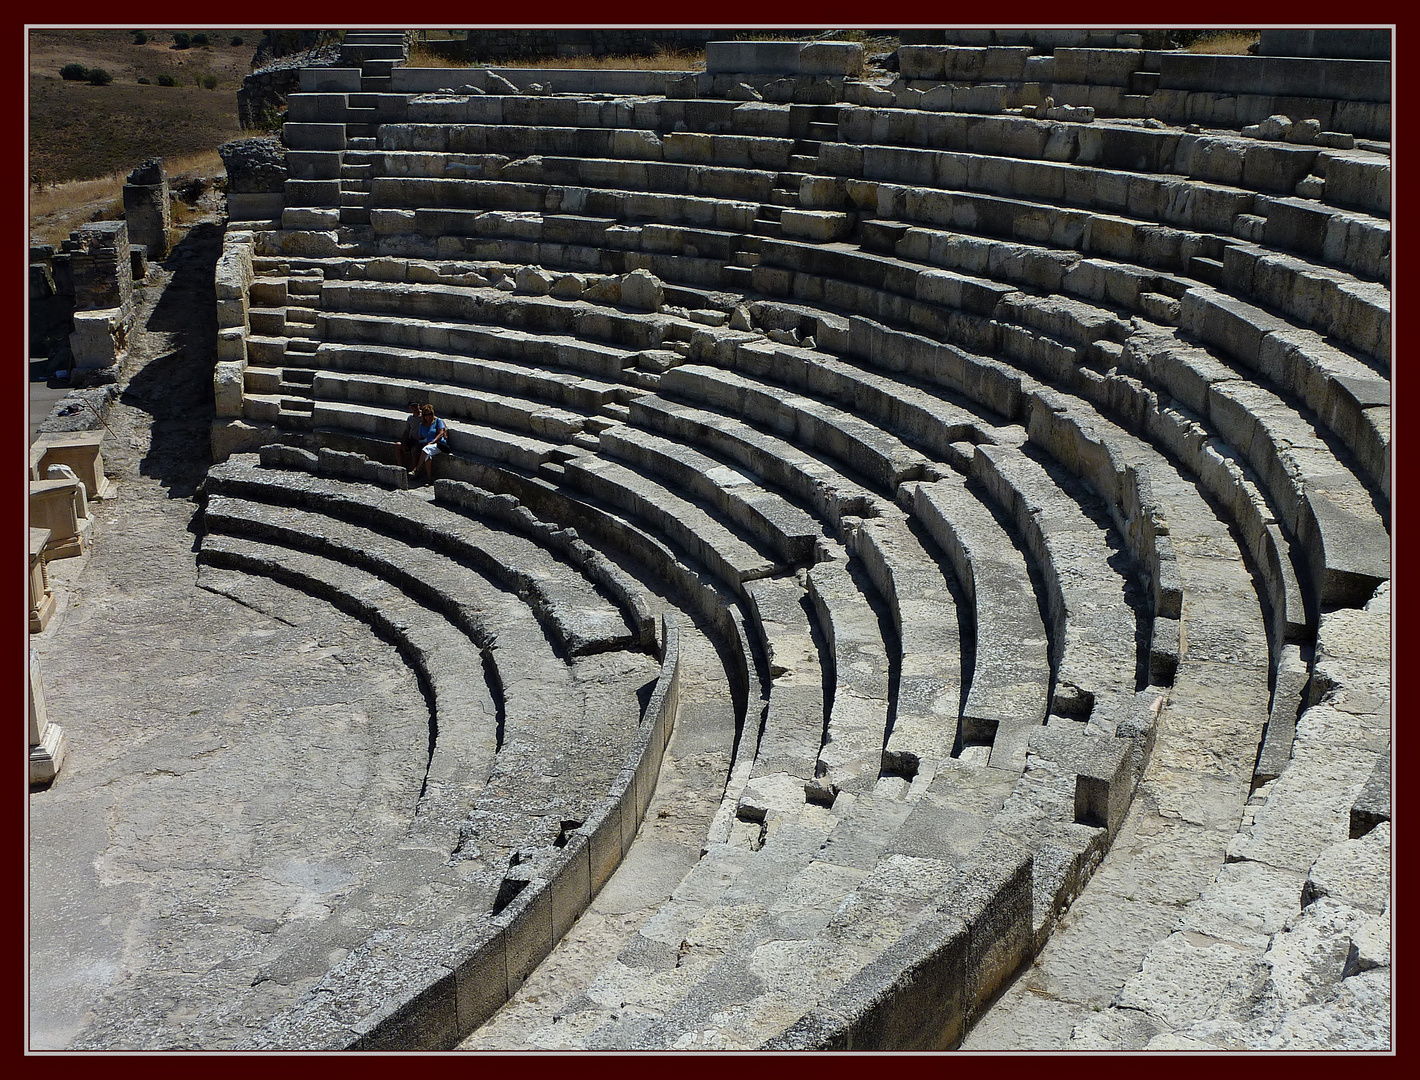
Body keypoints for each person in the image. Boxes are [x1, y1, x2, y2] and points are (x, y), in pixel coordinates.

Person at [410, 403, 449, 483]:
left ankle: (416, 469)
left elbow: (441, 433)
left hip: (439, 445)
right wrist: (426, 441)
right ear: (423, 416)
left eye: (430, 414)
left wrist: (433, 441)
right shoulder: (422, 425)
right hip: (427, 445)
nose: (428, 416)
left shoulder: (438, 421)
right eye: (426, 414)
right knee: (427, 456)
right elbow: (420, 438)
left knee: (426, 449)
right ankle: (429, 478)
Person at [394, 400, 422, 468]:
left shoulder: (423, 416)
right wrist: (403, 442)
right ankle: (400, 466)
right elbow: (407, 431)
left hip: (420, 441)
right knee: (397, 445)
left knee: (414, 450)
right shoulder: (410, 418)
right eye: (413, 407)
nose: (415, 409)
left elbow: (437, 420)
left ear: (419, 406)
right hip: (412, 439)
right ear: (410, 408)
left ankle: (414, 469)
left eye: (416, 406)